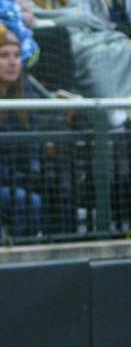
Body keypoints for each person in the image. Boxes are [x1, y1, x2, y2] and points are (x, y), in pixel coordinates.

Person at [0, 29, 61, 237]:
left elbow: (34, 145)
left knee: (58, 194)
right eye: (4, 55)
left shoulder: (26, 94)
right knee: (26, 201)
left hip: (21, 180)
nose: (12, 62)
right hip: (8, 182)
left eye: (16, 56)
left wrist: (34, 172)